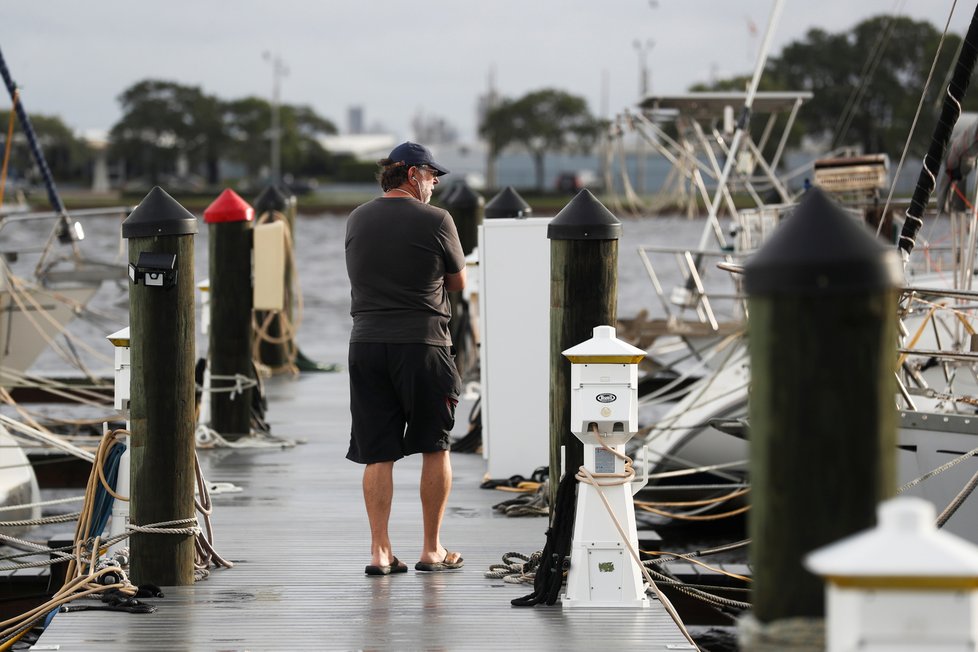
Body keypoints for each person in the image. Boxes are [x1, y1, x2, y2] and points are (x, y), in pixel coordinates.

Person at [344, 142, 467, 576]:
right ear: (414, 174)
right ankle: (432, 550)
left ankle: (380, 552)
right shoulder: (437, 219)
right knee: (435, 445)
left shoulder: (357, 217)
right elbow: (457, 282)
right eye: (434, 176)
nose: (435, 185)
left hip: (366, 344)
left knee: (378, 451)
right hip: (423, 345)